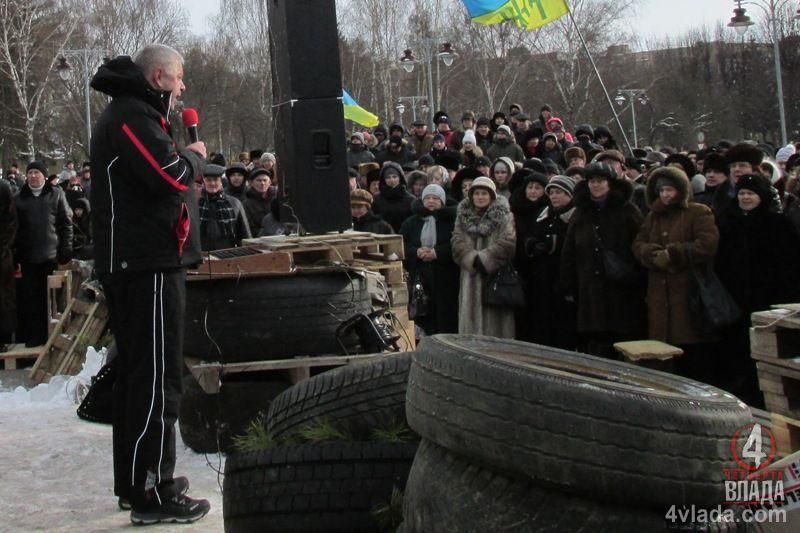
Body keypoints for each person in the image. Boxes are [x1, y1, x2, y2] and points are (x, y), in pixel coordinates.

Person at [89, 44, 210, 523]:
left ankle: (139, 485)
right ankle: (151, 491)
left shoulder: (137, 113)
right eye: (179, 79)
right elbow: (170, 173)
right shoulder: (131, 116)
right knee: (157, 381)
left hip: (147, 263)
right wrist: (196, 157)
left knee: (145, 379)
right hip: (146, 266)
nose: (183, 89)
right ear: (159, 76)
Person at [715, 174, 800, 406]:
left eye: (750, 194)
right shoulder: (728, 221)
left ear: (761, 196)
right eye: (742, 193)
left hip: (767, 295)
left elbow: (789, 262)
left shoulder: (777, 223)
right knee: (737, 346)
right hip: (734, 295)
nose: (745, 198)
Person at [632, 167, 720, 383]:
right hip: (659, 297)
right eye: (661, 191)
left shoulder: (698, 212)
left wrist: (674, 253)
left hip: (689, 295)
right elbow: (638, 243)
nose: (665, 195)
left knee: (693, 358)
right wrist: (653, 255)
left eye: (669, 190)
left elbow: (707, 244)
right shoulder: (653, 215)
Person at [560, 162, 645, 358]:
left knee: (621, 339)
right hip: (589, 286)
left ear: (610, 183)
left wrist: (635, 276)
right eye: (592, 181)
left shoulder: (626, 210)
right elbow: (570, 249)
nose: (595, 185)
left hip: (621, 287)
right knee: (595, 340)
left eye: (600, 181)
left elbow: (638, 242)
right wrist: (568, 283)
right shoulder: (581, 211)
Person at [13, 161, 73, 347]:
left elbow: (66, 224)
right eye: (29, 172)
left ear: (44, 176)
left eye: (36, 172)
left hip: (51, 257)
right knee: (31, 300)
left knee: (52, 301)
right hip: (28, 258)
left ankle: (54, 339)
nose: (33, 176)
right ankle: (34, 338)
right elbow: (14, 229)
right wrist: (15, 256)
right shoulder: (19, 198)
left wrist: (66, 250)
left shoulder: (56, 194)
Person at [451, 177, 516, 338]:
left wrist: (486, 259)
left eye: (484, 193)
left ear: (492, 195)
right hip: (470, 275)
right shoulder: (462, 216)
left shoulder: (505, 216)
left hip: (495, 278)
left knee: (496, 329)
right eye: (477, 193)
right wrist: (471, 259)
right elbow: (456, 241)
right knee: (470, 328)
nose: (480, 197)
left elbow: (508, 242)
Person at [522, 175, 578, 349]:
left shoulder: (575, 216)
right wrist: (532, 244)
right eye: (551, 192)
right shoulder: (544, 214)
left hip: (563, 278)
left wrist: (555, 244)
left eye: (559, 192)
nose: (554, 196)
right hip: (541, 277)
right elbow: (531, 235)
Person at [400, 184, 460, 335]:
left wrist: (437, 252)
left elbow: (458, 244)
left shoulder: (453, 220)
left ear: (442, 201)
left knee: (447, 317)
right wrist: (416, 252)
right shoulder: (411, 222)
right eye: (427, 198)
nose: (431, 201)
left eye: (435, 198)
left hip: (447, 277)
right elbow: (402, 244)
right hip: (420, 277)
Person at [509, 171, 550, 342]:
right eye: (530, 187)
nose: (533, 191)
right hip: (518, 268)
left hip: (542, 271)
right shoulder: (515, 209)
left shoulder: (548, 211)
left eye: (538, 188)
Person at [198, 164, 251, 251]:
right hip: (201, 253)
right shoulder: (196, 203)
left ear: (221, 182)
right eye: (208, 180)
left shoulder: (234, 203)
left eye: (215, 180)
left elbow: (244, 234)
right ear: (203, 182)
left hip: (227, 252)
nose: (212, 183)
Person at [372, 162, 415, 232]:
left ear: (400, 177)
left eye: (395, 177)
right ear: (384, 180)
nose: (392, 180)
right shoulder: (376, 199)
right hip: (383, 237)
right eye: (388, 177)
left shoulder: (410, 199)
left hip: (405, 237)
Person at [0, 180, 15, 348]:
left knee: (4, 298)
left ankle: (3, 338)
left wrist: (4, 246)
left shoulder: (3, 188)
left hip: (2, 254)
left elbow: (11, 223)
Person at [243, 168, 273, 235]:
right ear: (251, 183)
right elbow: (248, 228)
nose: (262, 183)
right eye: (258, 180)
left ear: (270, 183)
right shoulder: (246, 204)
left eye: (265, 180)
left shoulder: (277, 200)